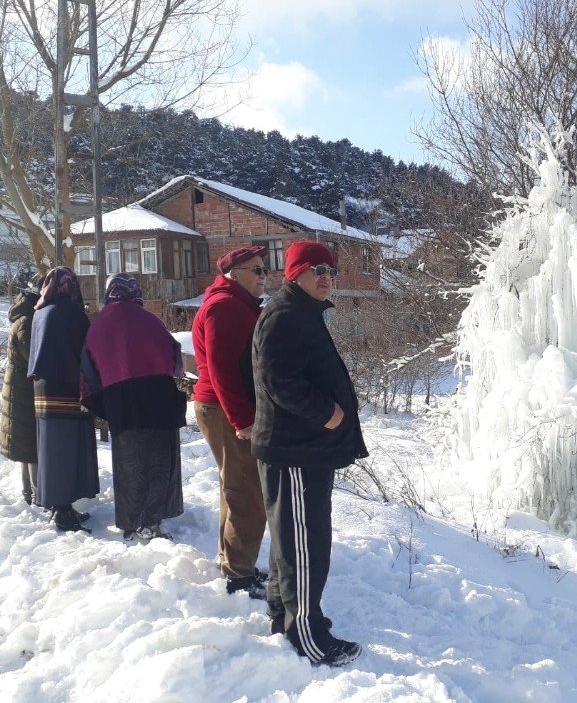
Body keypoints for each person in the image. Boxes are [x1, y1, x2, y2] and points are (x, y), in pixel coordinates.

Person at [251, 240, 368, 667]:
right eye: (316, 268)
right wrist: (329, 414)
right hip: (294, 449)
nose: (326, 276)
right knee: (306, 543)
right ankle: (306, 634)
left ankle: (285, 614)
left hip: (298, 448)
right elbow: (279, 381)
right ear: (293, 271)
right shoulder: (285, 316)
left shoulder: (300, 312)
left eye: (331, 270)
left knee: (292, 539)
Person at [81, 273, 186, 542]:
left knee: (129, 463)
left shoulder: (99, 324)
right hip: (157, 398)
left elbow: (89, 370)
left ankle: (131, 521)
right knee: (158, 462)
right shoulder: (150, 319)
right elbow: (174, 356)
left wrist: (100, 403)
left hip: (121, 403)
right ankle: (152, 521)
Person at [192, 245, 270, 597]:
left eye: (264, 270)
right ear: (233, 273)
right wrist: (242, 419)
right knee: (248, 492)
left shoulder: (235, 304)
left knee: (236, 486)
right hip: (225, 410)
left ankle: (231, 560)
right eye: (256, 270)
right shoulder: (223, 308)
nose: (263, 276)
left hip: (223, 408)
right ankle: (239, 575)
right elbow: (223, 371)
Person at [27, 266, 99, 533]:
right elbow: (86, 348)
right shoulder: (71, 312)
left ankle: (60, 506)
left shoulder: (40, 310)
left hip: (42, 387)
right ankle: (62, 511)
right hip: (67, 386)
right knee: (68, 448)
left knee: (52, 447)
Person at [0, 268, 42, 505]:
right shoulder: (27, 322)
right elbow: (32, 358)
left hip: (19, 387)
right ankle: (35, 496)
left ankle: (31, 495)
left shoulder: (23, 317)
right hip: (23, 389)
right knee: (31, 445)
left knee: (27, 445)